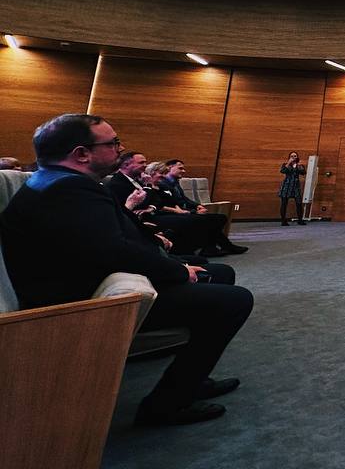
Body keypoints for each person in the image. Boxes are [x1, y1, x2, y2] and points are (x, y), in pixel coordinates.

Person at [0, 114, 253, 426]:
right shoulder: (69, 190)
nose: (119, 149)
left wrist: (172, 264)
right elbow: (113, 251)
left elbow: (111, 242)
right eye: (112, 143)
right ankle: (164, 406)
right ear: (82, 153)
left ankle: (193, 378)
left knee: (221, 275)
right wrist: (177, 271)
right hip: (83, 302)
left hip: (96, 280)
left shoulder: (56, 182)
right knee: (235, 300)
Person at [110, 153, 247, 256]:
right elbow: (140, 203)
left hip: (154, 213)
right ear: (126, 165)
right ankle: (194, 251)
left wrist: (151, 204)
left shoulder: (139, 180)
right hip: (144, 218)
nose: (145, 165)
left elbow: (157, 200)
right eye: (141, 163)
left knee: (210, 218)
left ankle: (205, 248)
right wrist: (148, 187)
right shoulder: (119, 182)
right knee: (197, 220)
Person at [278, 151, 307, 226]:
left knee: (299, 203)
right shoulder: (285, 165)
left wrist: (297, 166)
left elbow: (303, 172)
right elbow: (282, 171)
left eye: (295, 156)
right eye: (292, 156)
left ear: (297, 157)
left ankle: (300, 220)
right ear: (289, 157)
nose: (293, 157)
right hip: (287, 186)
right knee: (284, 203)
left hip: (295, 186)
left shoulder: (300, 165)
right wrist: (288, 163)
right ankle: (283, 221)